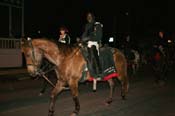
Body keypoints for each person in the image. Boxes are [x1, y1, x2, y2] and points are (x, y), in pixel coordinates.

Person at [81, 11, 103, 77]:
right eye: (88, 17)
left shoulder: (97, 24)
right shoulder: (87, 25)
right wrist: (81, 39)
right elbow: (84, 34)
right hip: (86, 43)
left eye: (90, 16)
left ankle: (98, 71)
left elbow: (99, 36)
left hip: (94, 43)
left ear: (93, 17)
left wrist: (88, 38)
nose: (89, 18)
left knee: (93, 50)